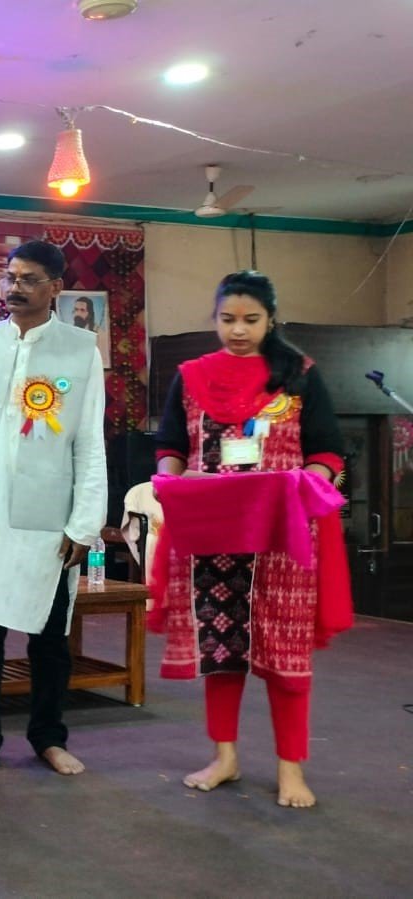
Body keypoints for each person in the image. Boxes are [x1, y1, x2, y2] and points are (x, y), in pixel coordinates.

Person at [152, 270, 349, 809]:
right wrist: (170, 482)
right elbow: (170, 447)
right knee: (222, 651)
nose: (238, 330)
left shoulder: (299, 375)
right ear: (215, 318)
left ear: (271, 320)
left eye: (251, 320)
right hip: (213, 537)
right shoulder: (191, 376)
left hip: (283, 538)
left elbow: (328, 452)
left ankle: (291, 769)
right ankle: (225, 757)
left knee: (287, 657)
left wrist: (306, 489)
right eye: (227, 319)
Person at [0, 239, 106, 777]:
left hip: (46, 519)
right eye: (11, 277)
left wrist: (84, 525)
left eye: (29, 279)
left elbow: (89, 443)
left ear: (55, 288)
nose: (15, 287)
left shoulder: (81, 351)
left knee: (49, 639)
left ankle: (49, 738)